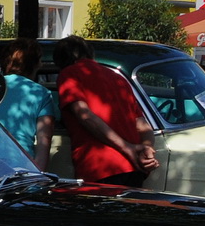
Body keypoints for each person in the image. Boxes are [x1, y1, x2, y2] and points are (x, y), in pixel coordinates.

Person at [54, 34, 157, 186]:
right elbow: (142, 125)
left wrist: (127, 148)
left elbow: (85, 115)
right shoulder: (118, 78)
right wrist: (147, 149)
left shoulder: (69, 74)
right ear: (90, 53)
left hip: (99, 166)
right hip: (133, 168)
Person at [0, 39, 57, 170]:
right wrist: (38, 174)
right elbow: (44, 139)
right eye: (40, 60)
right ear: (34, 64)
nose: (42, 64)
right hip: (21, 166)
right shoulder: (41, 93)